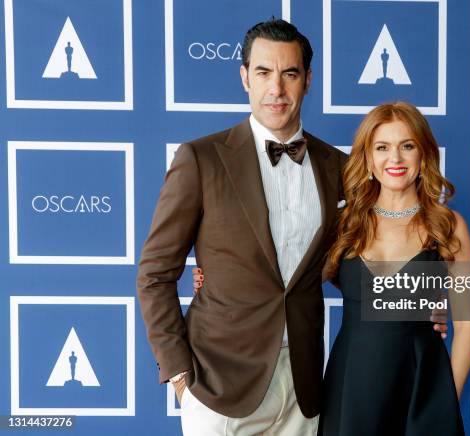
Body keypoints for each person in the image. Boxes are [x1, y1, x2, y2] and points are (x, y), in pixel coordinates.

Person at [138, 19, 446, 436]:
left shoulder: (339, 168)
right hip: (218, 383)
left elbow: (362, 258)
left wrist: (418, 304)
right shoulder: (202, 159)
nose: (276, 89)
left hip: (305, 385)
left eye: (290, 74)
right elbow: (155, 273)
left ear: (308, 80)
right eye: (264, 72)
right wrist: (178, 374)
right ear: (245, 77)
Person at [319, 102, 470, 435]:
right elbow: (289, 285)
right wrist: (213, 274)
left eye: (407, 146)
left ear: (423, 155)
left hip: (422, 388)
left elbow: (466, 325)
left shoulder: (448, 226)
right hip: (351, 386)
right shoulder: (342, 225)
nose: (395, 158)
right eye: (382, 147)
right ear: (367, 157)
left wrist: (447, 400)